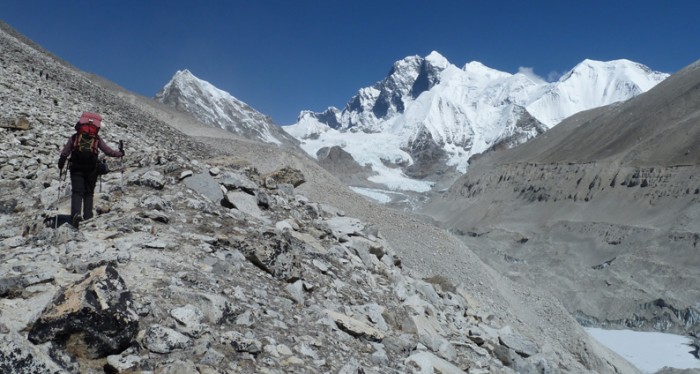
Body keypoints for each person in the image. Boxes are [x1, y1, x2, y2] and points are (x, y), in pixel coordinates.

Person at [58, 112, 124, 228]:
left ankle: (76, 215)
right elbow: (108, 151)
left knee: (77, 192)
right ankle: (88, 217)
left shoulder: (75, 137)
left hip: (76, 168)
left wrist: (61, 164)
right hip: (92, 168)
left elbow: (65, 152)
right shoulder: (96, 138)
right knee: (89, 193)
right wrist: (120, 153)